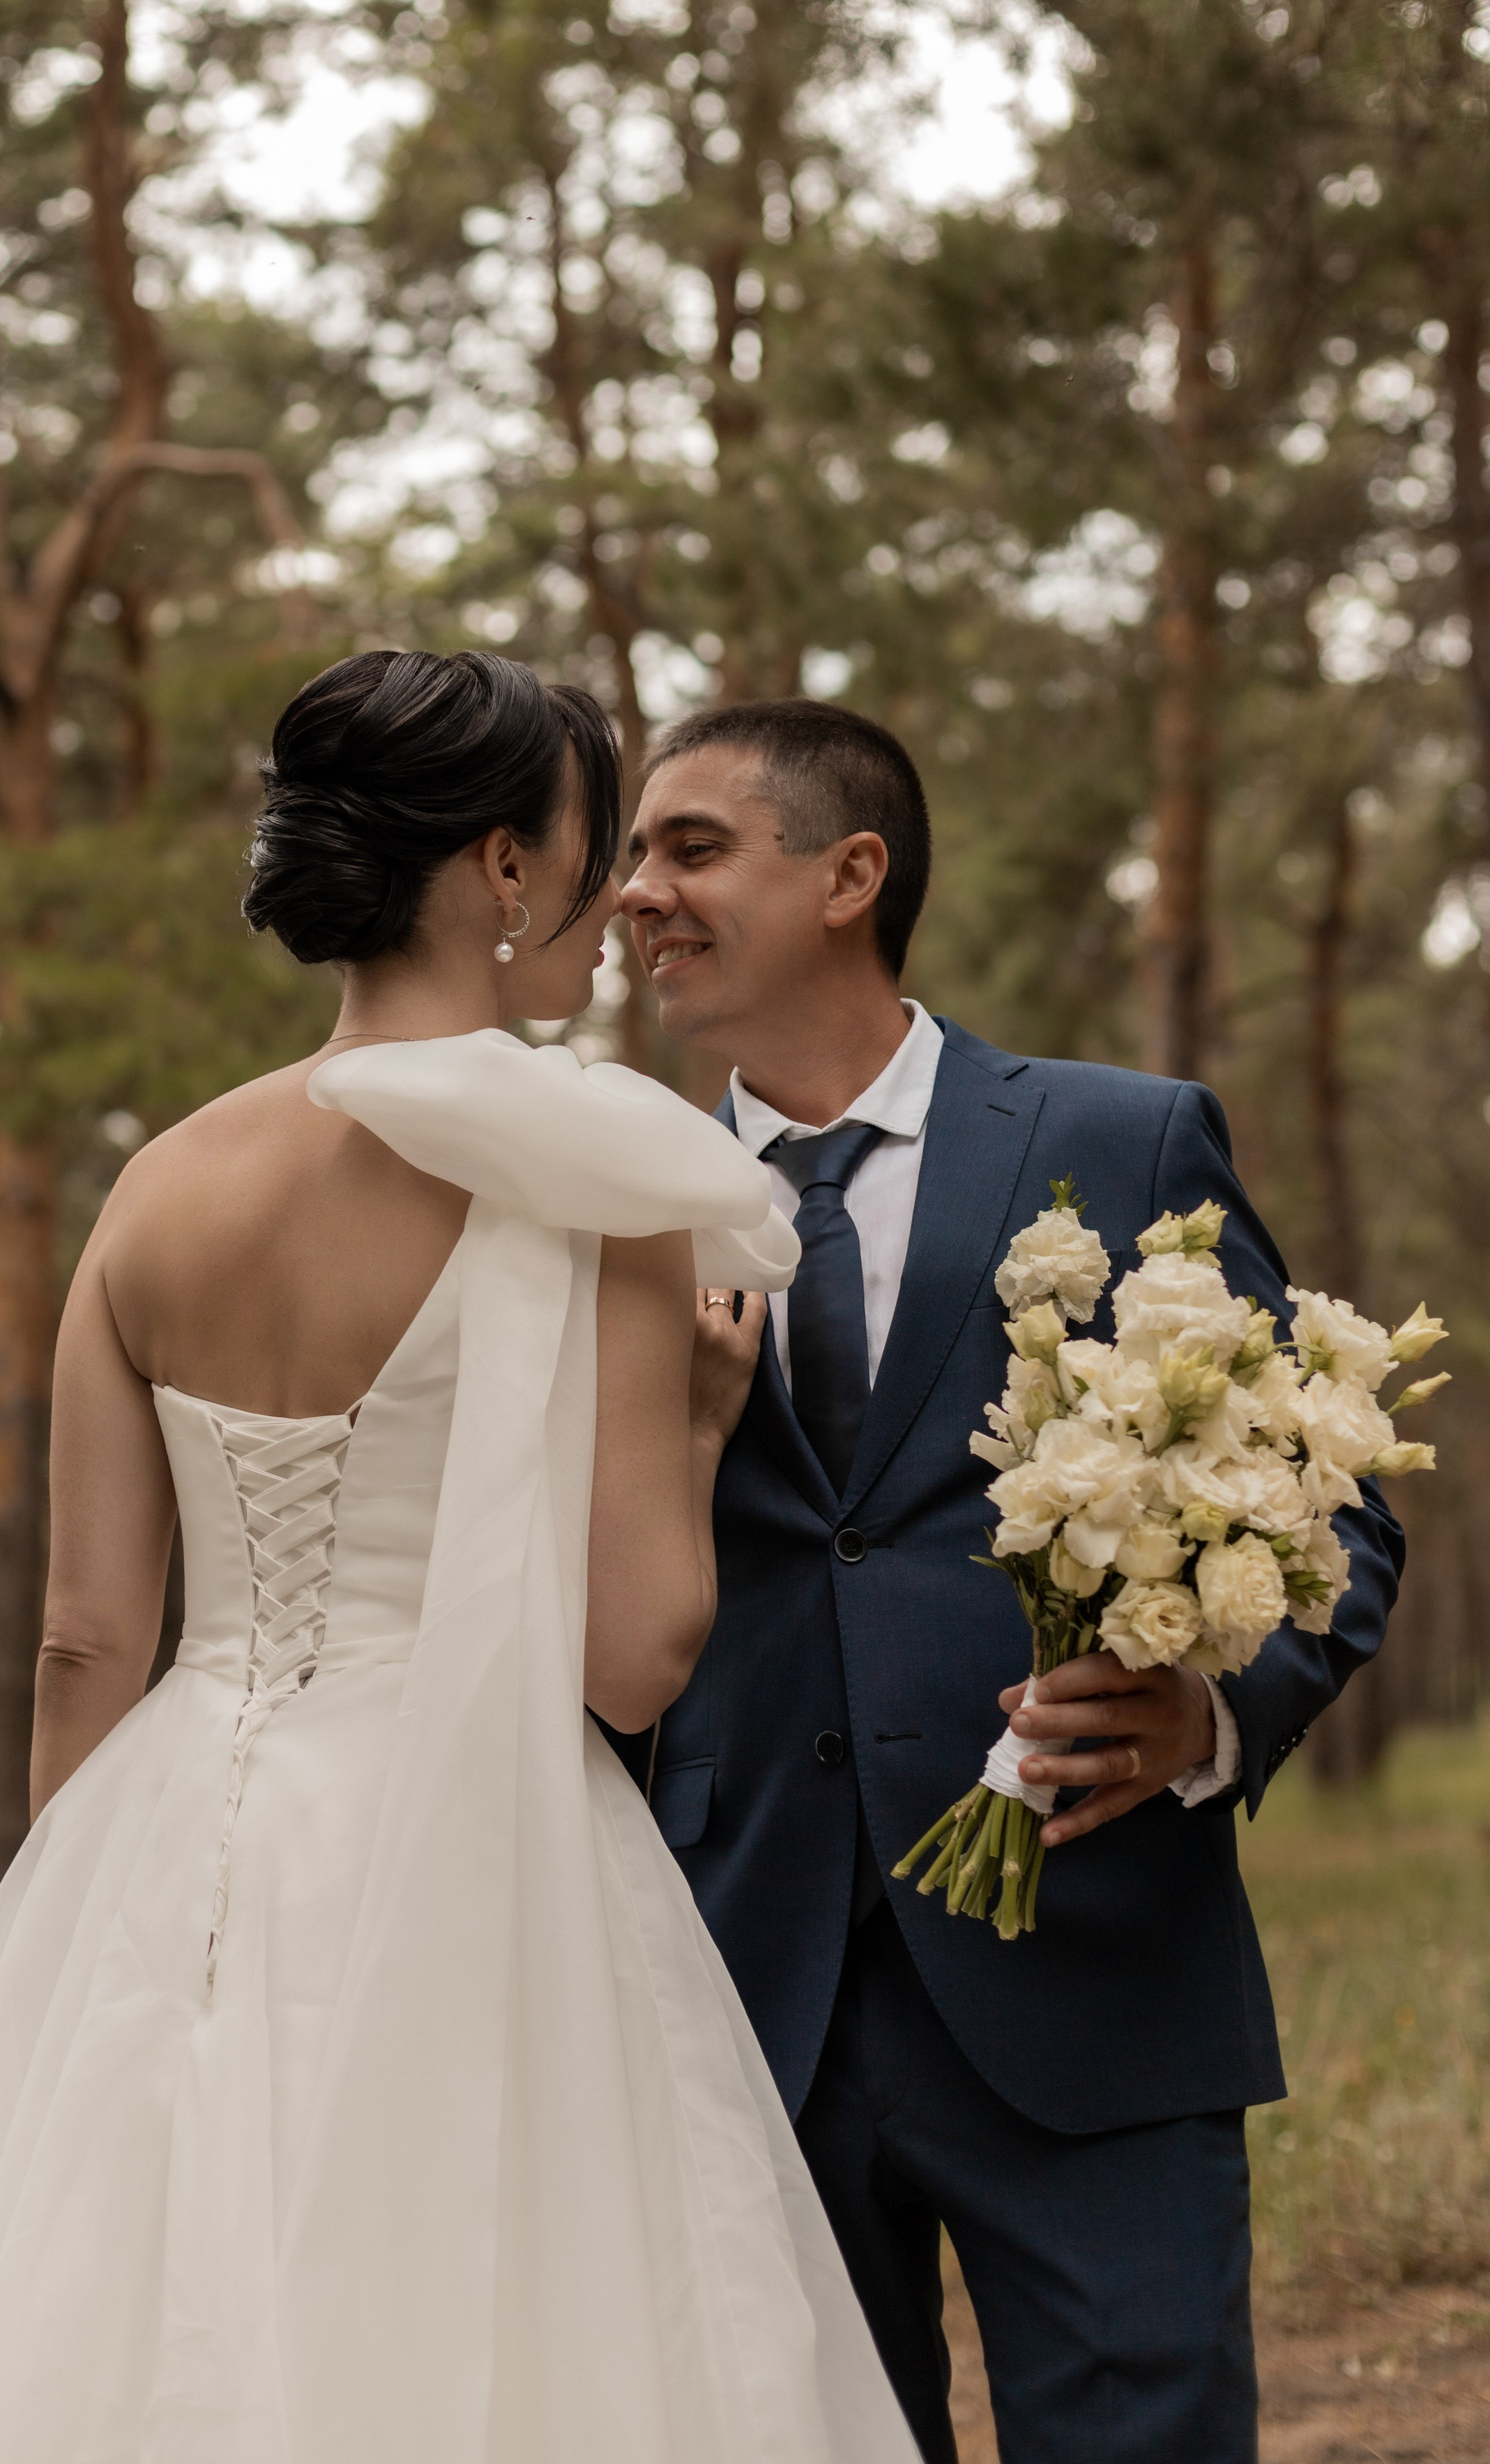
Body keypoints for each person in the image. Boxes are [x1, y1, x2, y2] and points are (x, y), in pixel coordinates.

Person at [0, 651, 919, 2464]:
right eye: (587, 850)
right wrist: (704, 1423)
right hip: (477, 1844)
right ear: (497, 868)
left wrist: (95, 1939)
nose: (616, 905)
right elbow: (634, 1653)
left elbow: (90, 1638)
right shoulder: (597, 1173)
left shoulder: (157, 1184)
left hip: (178, 1839)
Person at [615, 698, 1405, 2464]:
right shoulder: (613, 1206)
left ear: (849, 874)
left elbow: (1334, 1513)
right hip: (744, 1987)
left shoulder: (1119, 1141)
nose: (631, 895)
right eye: (630, 855)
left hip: (1097, 1967)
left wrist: (1208, 1709)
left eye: (687, 848)